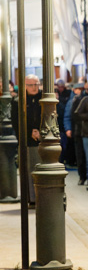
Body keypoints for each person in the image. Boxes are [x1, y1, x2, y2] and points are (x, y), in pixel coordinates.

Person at [10, 74, 41, 206]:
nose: (34, 87)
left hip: (42, 140)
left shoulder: (44, 98)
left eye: (36, 84)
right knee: (27, 171)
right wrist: (30, 132)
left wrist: (39, 131)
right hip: (26, 142)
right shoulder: (18, 101)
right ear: (25, 86)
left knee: (41, 171)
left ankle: (41, 198)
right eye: (30, 85)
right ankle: (30, 199)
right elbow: (16, 122)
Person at [67, 81, 87, 185]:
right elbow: (71, 116)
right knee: (80, 156)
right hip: (79, 131)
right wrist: (68, 129)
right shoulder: (75, 100)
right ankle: (82, 176)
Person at [56, 78, 71, 165]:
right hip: (56, 125)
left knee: (63, 145)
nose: (61, 88)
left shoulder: (67, 94)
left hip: (61, 126)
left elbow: (64, 111)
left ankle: (61, 161)